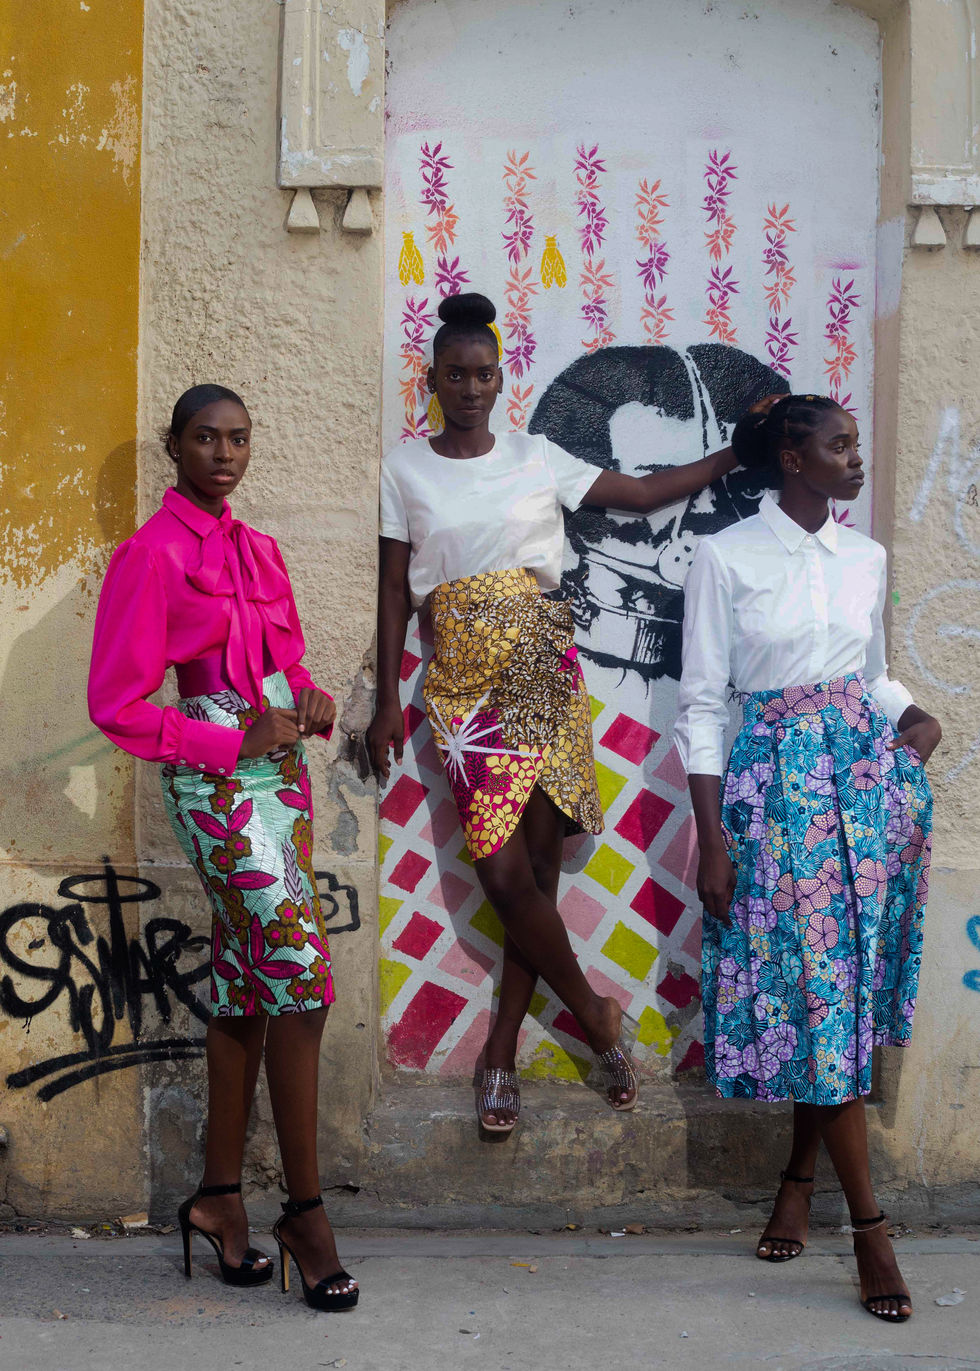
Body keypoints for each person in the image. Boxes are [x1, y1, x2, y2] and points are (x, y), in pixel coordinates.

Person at [367, 292, 738, 1132]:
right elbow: (394, 588)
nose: (470, 387)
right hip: (460, 677)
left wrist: (729, 457)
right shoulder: (405, 468)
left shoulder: (538, 457)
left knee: (537, 870)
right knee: (499, 872)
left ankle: (499, 1056)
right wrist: (390, 698)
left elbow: (643, 495)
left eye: (484, 374)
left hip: (538, 657)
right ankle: (595, 1014)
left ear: (501, 380)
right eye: (455, 374)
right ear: (432, 380)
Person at [88, 385, 358, 1312]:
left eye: (238, 438)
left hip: (281, 780)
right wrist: (224, 741)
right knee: (305, 980)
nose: (224, 453)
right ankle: (306, 1212)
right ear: (174, 446)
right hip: (213, 782)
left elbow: (282, 665)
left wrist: (310, 699)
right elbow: (116, 705)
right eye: (205, 438)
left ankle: (216, 1197)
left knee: (251, 985)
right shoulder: (148, 555)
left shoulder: (260, 550)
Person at [675, 392, 939, 1322]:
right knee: (815, 994)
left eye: (856, 443)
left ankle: (797, 1177)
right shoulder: (726, 556)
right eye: (838, 445)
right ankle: (870, 1229)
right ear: (793, 457)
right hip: (774, 794)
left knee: (840, 994)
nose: (855, 458)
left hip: (865, 793)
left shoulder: (864, 556)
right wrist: (712, 837)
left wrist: (908, 711)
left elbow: (867, 669)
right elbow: (704, 702)